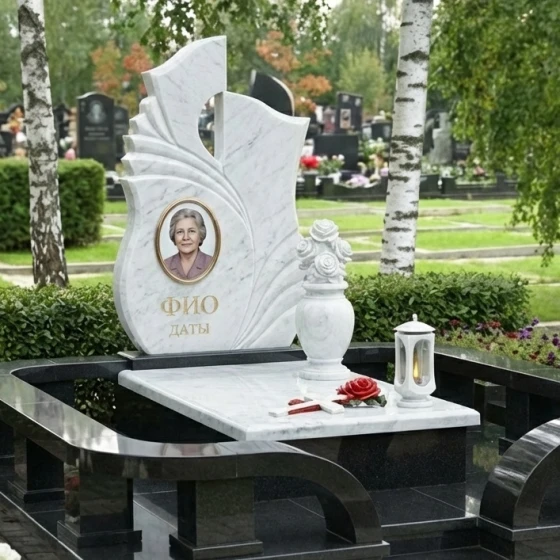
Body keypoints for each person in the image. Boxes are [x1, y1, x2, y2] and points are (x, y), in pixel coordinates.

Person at [163, 208, 213, 280]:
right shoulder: (165, 265)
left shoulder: (212, 263)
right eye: (180, 232)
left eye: (191, 231)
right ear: (173, 236)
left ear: (200, 235)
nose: (185, 237)